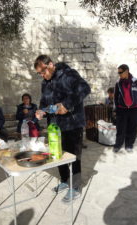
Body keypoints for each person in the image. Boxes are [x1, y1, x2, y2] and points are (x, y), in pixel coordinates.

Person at [34, 55, 91, 202]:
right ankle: (65, 180)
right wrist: (42, 110)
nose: (42, 75)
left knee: (73, 156)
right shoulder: (45, 83)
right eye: (39, 73)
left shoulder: (69, 74)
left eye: (43, 72)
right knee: (57, 154)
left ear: (51, 65)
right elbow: (45, 101)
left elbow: (85, 88)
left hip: (72, 124)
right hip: (54, 126)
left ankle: (76, 187)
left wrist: (67, 104)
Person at [113, 64, 137, 153]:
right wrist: (116, 109)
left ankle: (129, 145)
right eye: (118, 72)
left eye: (120, 72)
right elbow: (115, 96)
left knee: (132, 128)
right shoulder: (118, 83)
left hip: (135, 109)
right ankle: (118, 145)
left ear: (126, 71)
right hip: (122, 109)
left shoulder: (135, 81)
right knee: (120, 128)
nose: (119, 74)